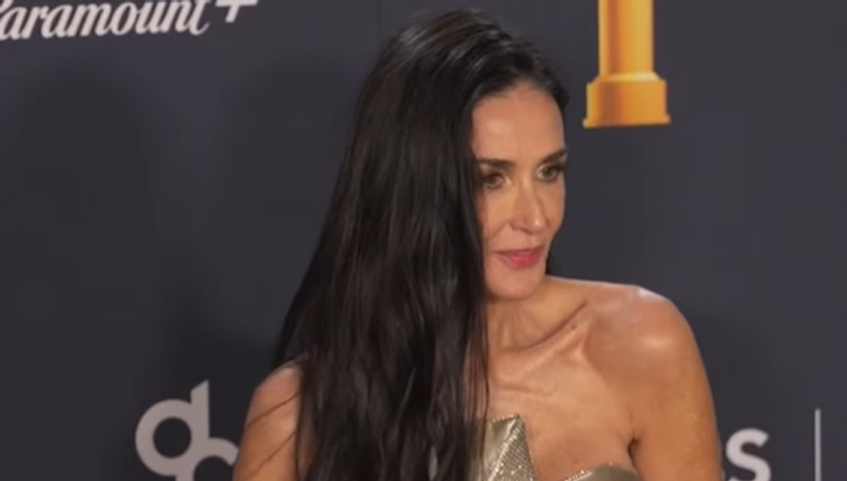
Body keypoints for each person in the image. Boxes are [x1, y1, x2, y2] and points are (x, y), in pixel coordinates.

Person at [232, 7, 722, 481]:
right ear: (413, 188)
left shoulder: (642, 344)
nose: (536, 218)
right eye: (491, 179)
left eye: (549, 171)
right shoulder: (296, 414)